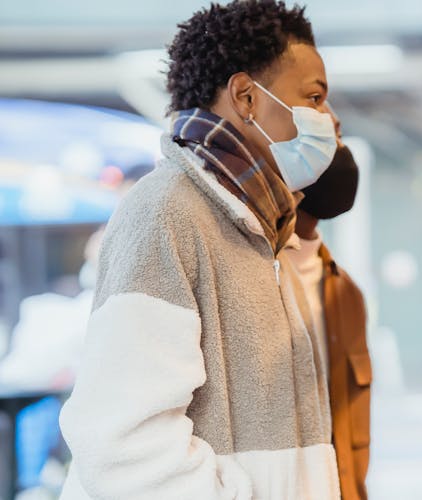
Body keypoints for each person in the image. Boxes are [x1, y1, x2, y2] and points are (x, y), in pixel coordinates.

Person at [58, 2, 342, 499]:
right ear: (246, 97)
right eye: (315, 98)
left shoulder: (262, 226)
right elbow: (124, 447)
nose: (330, 121)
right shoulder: (167, 212)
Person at [285, 105, 371, 500]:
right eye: (326, 139)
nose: (338, 148)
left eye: (337, 136)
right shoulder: (250, 274)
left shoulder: (345, 294)